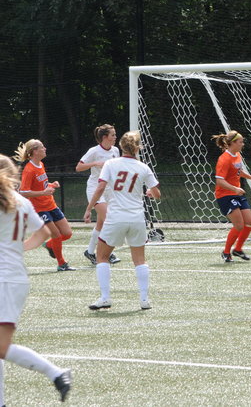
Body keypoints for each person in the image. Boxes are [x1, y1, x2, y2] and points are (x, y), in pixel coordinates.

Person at [0, 154, 72, 403]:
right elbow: (43, 233)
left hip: (5, 280)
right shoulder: (21, 201)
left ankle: (56, 373)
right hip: (14, 278)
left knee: (1, 346)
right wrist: (17, 249)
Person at [84, 131, 161, 310]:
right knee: (140, 260)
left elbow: (100, 188)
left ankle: (105, 298)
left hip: (116, 218)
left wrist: (89, 208)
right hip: (137, 219)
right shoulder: (143, 167)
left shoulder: (111, 164)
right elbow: (157, 194)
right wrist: (150, 193)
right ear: (137, 148)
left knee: (102, 256)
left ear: (121, 146)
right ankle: (144, 300)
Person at [14, 139, 75, 271]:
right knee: (56, 235)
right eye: (42, 147)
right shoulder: (29, 170)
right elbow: (23, 192)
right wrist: (43, 192)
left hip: (51, 204)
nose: (45, 149)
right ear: (35, 151)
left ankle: (49, 245)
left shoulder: (40, 164)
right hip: (39, 209)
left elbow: (41, 185)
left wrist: (51, 185)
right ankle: (62, 264)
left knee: (67, 233)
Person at [212, 131, 251, 263]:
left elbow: (238, 171)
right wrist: (235, 188)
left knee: (250, 221)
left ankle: (238, 249)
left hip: (236, 193)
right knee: (239, 225)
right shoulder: (224, 159)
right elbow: (220, 181)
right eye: (240, 142)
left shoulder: (237, 155)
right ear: (233, 143)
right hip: (225, 196)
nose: (242, 144)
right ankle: (226, 252)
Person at [75, 124, 121, 265]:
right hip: (95, 189)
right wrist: (95, 163)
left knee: (101, 223)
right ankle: (108, 253)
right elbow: (78, 167)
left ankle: (90, 252)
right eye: (113, 135)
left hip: (109, 190)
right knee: (109, 220)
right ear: (104, 137)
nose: (115, 137)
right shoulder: (94, 151)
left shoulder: (115, 150)